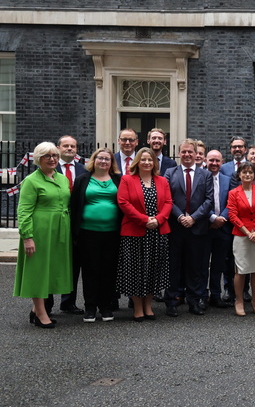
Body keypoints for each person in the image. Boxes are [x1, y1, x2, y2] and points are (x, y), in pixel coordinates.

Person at [13, 142, 73, 329]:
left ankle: (35, 310)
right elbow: (23, 211)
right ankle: (40, 313)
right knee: (38, 271)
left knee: (51, 270)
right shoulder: (31, 180)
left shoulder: (61, 178)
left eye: (55, 155)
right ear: (38, 159)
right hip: (40, 231)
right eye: (47, 156)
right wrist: (27, 237)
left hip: (59, 231)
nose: (52, 159)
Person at [116, 147, 173, 322]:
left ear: (155, 163)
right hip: (134, 232)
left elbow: (169, 202)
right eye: (143, 159)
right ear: (137, 162)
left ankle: (148, 305)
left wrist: (159, 219)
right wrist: (144, 220)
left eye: (150, 160)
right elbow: (123, 202)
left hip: (157, 232)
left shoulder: (162, 180)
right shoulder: (127, 179)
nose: (147, 162)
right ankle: (137, 307)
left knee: (154, 270)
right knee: (135, 270)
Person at [70, 147, 122, 323]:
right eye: (100, 158)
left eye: (107, 159)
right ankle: (90, 307)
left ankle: (105, 307)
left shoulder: (118, 180)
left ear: (111, 162)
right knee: (90, 271)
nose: (103, 161)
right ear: (94, 160)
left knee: (109, 270)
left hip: (113, 233)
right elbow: (75, 206)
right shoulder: (82, 180)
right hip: (87, 233)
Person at [164, 139, 214, 317]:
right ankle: (171, 301)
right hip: (176, 227)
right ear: (179, 153)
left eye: (190, 152)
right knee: (173, 266)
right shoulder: (170, 172)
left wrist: (193, 218)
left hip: (197, 227)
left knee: (195, 267)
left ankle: (194, 301)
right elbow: (167, 199)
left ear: (195, 154)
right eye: (183, 152)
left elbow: (209, 201)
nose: (186, 155)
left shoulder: (205, 175)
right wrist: (180, 216)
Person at [227, 163, 255, 316]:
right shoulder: (234, 193)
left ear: (254, 175)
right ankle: (239, 301)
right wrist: (246, 232)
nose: (247, 175)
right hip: (241, 235)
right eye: (244, 172)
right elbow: (232, 214)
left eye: (250, 172)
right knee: (241, 269)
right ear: (239, 175)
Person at [56, 135, 87, 315]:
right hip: (57, 221)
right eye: (66, 145)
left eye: (73, 146)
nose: (69, 149)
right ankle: (45, 303)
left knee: (74, 265)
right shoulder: (51, 167)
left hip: (76, 223)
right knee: (54, 263)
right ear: (58, 147)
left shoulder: (83, 170)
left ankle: (68, 302)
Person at [205, 150, 233, 308]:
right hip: (205, 227)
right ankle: (202, 295)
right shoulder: (200, 177)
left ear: (222, 162)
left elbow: (232, 200)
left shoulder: (227, 179)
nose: (214, 164)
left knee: (218, 264)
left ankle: (216, 295)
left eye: (217, 161)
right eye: (211, 160)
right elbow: (198, 200)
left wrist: (222, 217)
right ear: (205, 161)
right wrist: (212, 218)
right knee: (202, 264)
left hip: (223, 228)